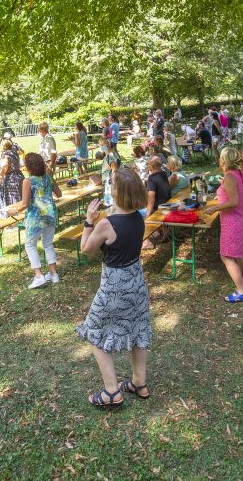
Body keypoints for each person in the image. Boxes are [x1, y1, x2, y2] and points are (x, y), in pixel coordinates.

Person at [76, 168, 152, 408]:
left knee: (94, 331)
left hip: (115, 287)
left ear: (117, 192)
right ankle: (139, 383)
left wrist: (89, 220)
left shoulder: (106, 225)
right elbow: (121, 217)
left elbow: (86, 250)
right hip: (137, 283)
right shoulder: (139, 217)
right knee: (138, 330)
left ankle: (111, 392)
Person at [204, 146, 243, 302]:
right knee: (239, 253)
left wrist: (215, 207)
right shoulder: (240, 173)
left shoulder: (230, 177)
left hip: (233, 221)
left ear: (223, 160)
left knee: (226, 256)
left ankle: (241, 291)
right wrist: (225, 185)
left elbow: (234, 201)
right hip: (242, 218)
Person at [8, 152, 62, 288]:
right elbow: (59, 194)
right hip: (50, 215)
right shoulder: (48, 177)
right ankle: (53, 274)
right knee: (48, 244)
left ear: (29, 166)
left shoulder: (28, 181)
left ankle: (39, 276)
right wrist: (51, 176)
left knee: (30, 245)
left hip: (36, 218)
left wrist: (13, 210)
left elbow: (25, 203)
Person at [142, 156, 171, 249]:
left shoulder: (152, 178)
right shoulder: (163, 174)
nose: (147, 166)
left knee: (139, 214)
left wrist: (148, 213)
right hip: (167, 204)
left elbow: (151, 198)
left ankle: (146, 242)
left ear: (152, 166)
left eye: (148, 164)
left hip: (158, 207)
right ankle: (163, 232)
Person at [0, 139, 24, 219]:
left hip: (11, 180)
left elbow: (4, 169)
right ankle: (20, 217)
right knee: (19, 197)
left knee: (12, 199)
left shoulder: (6, 156)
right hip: (19, 177)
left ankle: (13, 221)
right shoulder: (14, 153)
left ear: (3, 146)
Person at [98, 135, 120, 206]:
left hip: (110, 182)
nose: (100, 147)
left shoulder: (109, 156)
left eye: (101, 145)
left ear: (106, 146)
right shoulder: (113, 154)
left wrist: (113, 183)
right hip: (113, 181)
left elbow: (114, 169)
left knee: (110, 205)